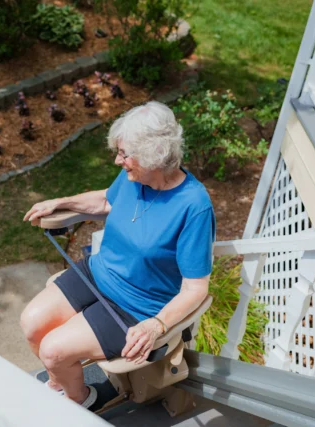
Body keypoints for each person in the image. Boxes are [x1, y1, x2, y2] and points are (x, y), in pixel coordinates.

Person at [21, 101, 216, 409]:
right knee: (32, 324)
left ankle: (81, 402)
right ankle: (60, 384)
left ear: (155, 156)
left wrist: (156, 325)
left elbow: (196, 288)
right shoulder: (134, 178)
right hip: (97, 273)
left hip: (136, 306)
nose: (117, 160)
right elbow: (105, 201)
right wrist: (61, 202)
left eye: (125, 154)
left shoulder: (193, 206)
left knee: (53, 351)